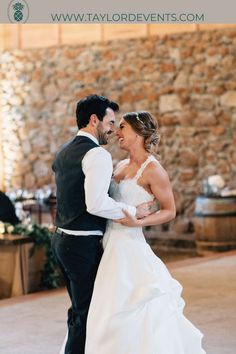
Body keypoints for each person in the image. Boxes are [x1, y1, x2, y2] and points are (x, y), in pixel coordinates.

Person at [85, 111, 206, 354]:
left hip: (129, 245)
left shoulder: (153, 170)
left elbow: (170, 210)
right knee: (105, 308)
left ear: (139, 133)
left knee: (130, 305)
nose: (116, 132)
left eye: (122, 127)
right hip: (107, 243)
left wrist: (140, 222)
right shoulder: (118, 166)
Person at [51, 95, 155, 354]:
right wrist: (132, 210)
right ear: (94, 120)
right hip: (81, 245)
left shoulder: (64, 151)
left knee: (79, 308)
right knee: (88, 312)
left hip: (61, 241)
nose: (112, 129)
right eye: (110, 122)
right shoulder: (96, 154)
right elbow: (95, 204)